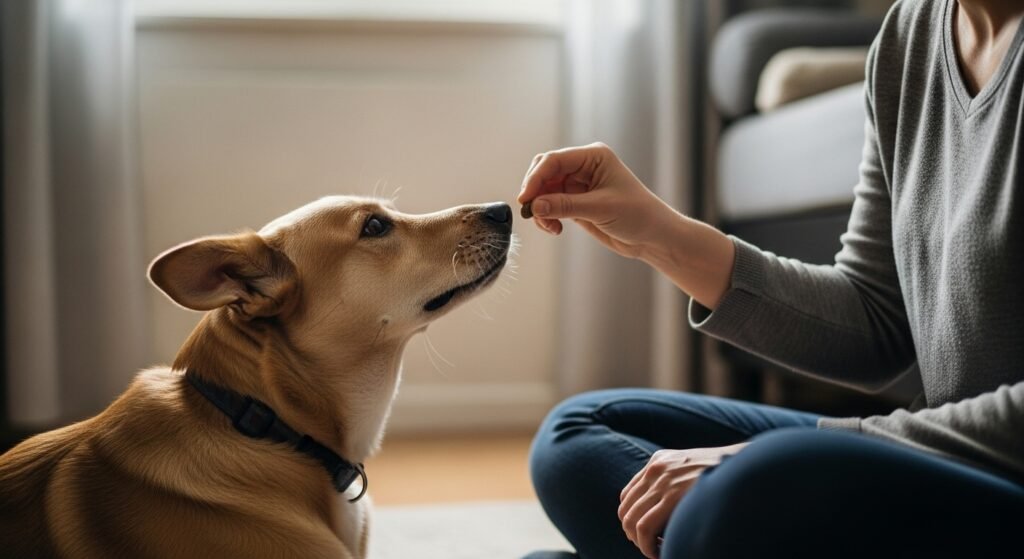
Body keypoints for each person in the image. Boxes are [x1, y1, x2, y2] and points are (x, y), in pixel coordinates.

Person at [519, 1, 1024, 557]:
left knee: (744, 492)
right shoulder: (912, 32)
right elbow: (874, 323)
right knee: (578, 436)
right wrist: (659, 234)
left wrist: (784, 456)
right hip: (947, 460)